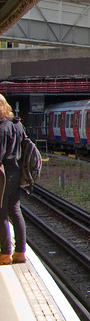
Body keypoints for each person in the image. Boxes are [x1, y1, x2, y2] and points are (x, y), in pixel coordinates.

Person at [0, 94, 26, 264]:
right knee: (15, 211)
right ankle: (20, 252)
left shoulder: (1, 128)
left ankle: (5, 254)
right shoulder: (17, 125)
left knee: (1, 213)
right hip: (17, 172)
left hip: (2, 175)